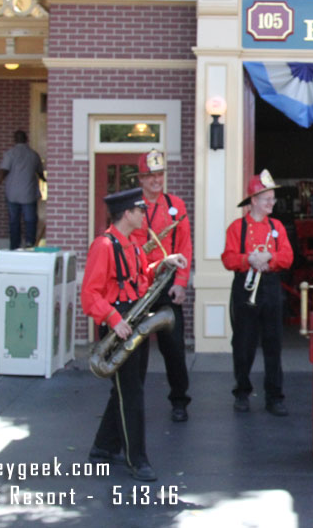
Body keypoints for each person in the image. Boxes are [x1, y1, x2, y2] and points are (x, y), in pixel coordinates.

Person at [82, 187, 187, 482]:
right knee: (132, 393)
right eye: (140, 210)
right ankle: (136, 459)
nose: (144, 215)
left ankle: (103, 448)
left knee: (127, 388)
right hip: (119, 323)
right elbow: (90, 294)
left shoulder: (132, 244)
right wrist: (114, 320)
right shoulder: (103, 245)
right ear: (127, 213)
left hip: (133, 319)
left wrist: (163, 264)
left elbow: (141, 275)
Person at [221, 170, 294, 416]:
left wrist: (269, 257)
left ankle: (275, 396)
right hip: (245, 287)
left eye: (272, 198)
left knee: (273, 343)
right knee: (243, 344)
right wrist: (249, 259)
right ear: (253, 200)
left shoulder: (277, 226)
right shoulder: (236, 228)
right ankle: (241, 391)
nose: (271, 203)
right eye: (267, 199)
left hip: (270, 286)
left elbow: (288, 256)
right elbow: (228, 258)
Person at [128, 150, 193, 423]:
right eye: (151, 176)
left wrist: (180, 283)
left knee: (174, 348)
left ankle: (179, 400)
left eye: (160, 174)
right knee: (135, 351)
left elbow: (185, 247)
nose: (157, 180)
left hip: (167, 285)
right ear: (141, 179)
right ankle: (132, 401)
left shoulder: (176, 205)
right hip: (140, 286)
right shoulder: (131, 207)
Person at [0, 130, 45, 249]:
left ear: (14, 140)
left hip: (12, 194)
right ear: (26, 139)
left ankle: (14, 246)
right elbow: (40, 173)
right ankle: (30, 244)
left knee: (14, 221)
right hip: (28, 194)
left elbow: (2, 172)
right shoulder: (33, 155)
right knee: (30, 220)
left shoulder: (10, 154)